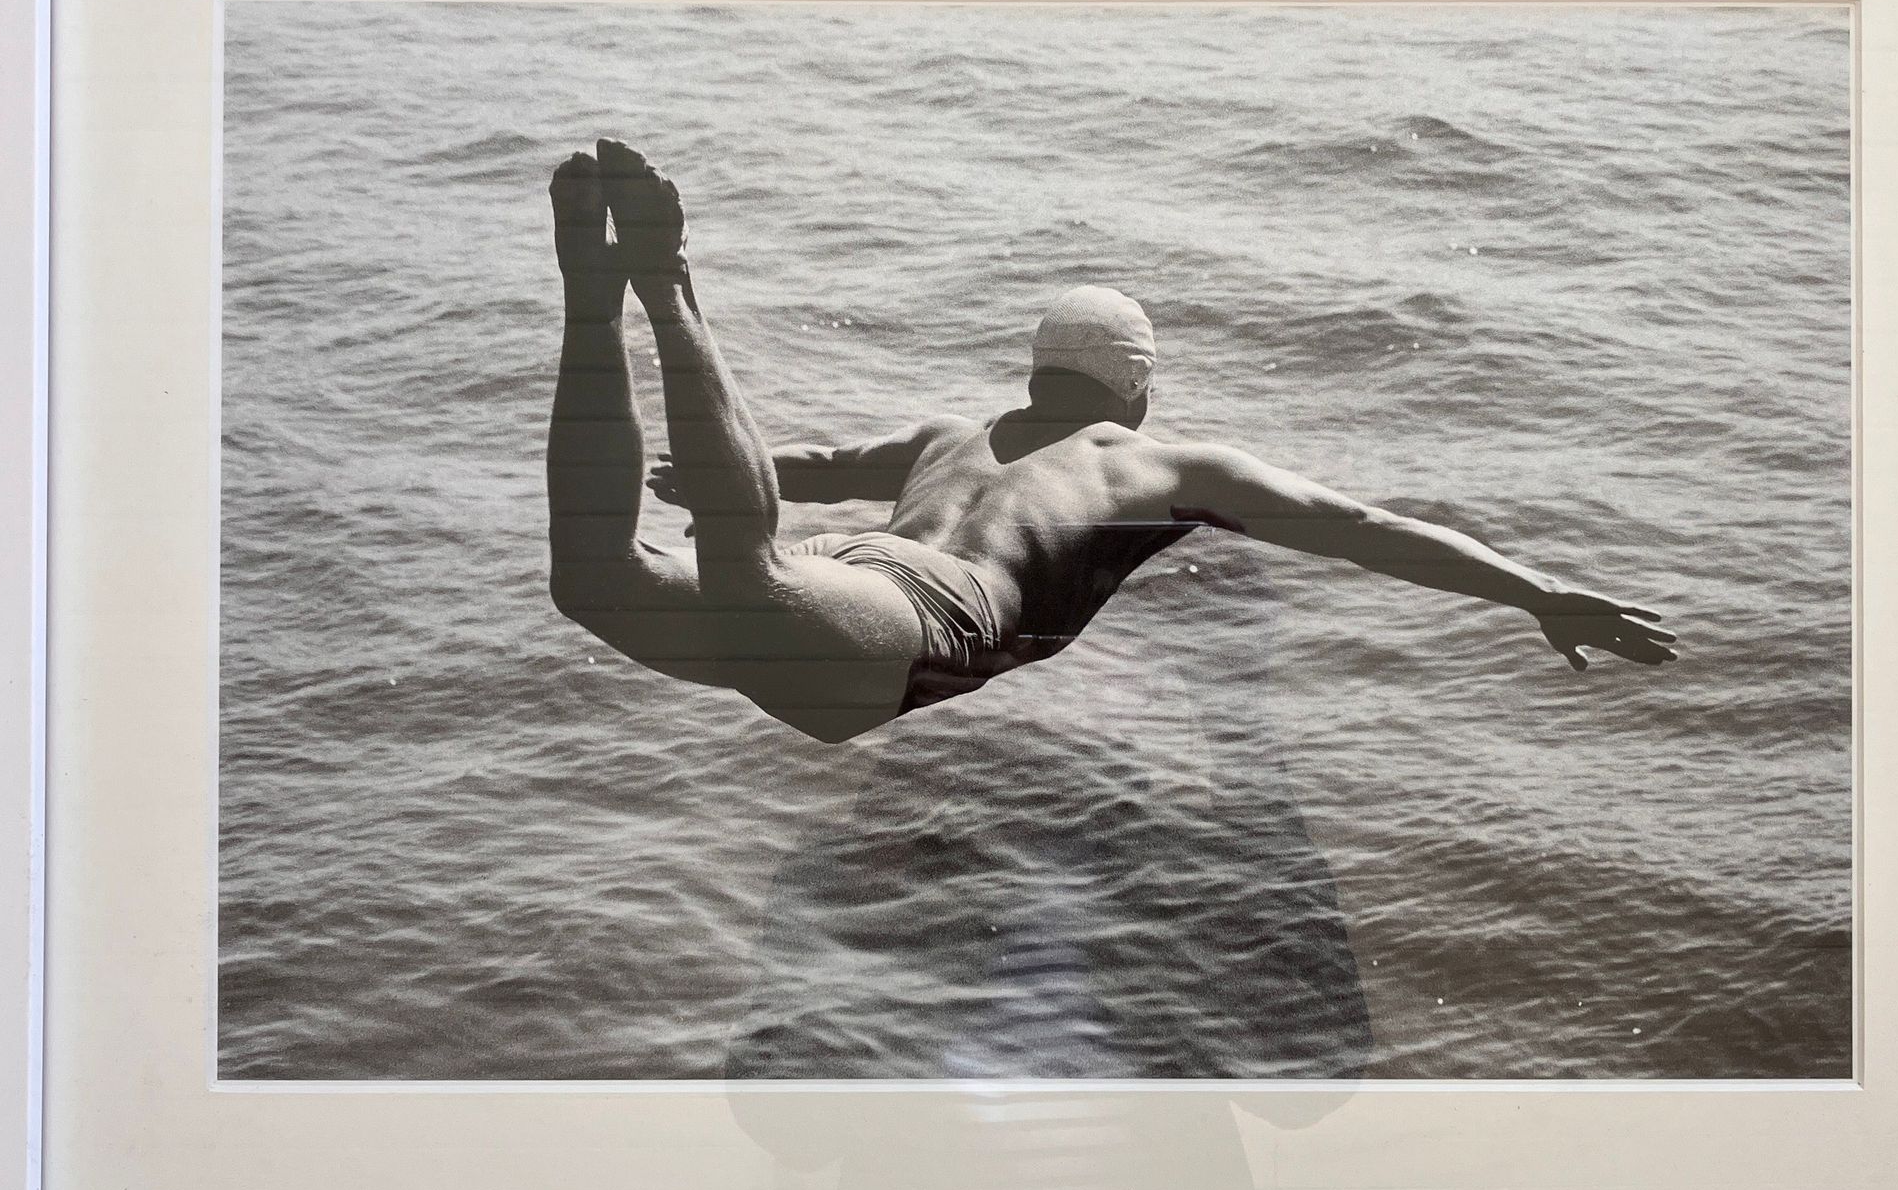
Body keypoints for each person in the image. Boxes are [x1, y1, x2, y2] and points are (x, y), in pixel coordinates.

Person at [546, 139, 1676, 745]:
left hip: (841, 580)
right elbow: (1363, 527)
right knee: (748, 567)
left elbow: (814, 468)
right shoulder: (1162, 467)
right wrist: (1534, 590)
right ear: (1136, 391)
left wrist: (706, 470)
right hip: (902, 629)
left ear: (1035, 371)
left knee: (596, 575)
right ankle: (670, 291)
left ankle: (592, 311)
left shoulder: (952, 432)